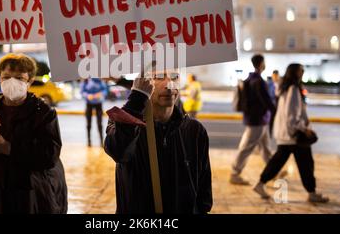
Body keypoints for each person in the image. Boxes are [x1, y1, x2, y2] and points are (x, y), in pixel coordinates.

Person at [0, 53, 68, 213]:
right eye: (6, 77)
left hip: (26, 194)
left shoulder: (43, 113)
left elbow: (49, 155)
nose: (12, 82)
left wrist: (8, 148)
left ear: (29, 81)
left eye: (19, 78)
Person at [104, 70, 213, 214]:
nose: (169, 84)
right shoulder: (126, 124)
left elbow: (203, 189)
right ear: (144, 83)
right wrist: (137, 99)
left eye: (175, 77)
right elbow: (118, 151)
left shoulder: (195, 130)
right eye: (158, 77)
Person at [253, 64, 329, 203]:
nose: (303, 72)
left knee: (277, 162)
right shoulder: (293, 89)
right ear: (295, 73)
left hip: (286, 135)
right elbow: (291, 115)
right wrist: (303, 129)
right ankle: (311, 193)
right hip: (293, 135)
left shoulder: (285, 88)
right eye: (301, 70)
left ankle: (260, 184)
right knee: (306, 164)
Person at [230, 54, 275, 185]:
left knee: (265, 148)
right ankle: (235, 173)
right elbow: (266, 101)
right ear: (261, 64)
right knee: (247, 147)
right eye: (264, 62)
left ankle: (273, 170)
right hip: (258, 120)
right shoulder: (259, 81)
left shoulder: (250, 79)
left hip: (257, 119)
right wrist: (276, 111)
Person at [81, 78, 108, 147]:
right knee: (88, 124)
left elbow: (105, 90)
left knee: (99, 124)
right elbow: (82, 91)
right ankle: (89, 141)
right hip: (89, 104)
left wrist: (101, 94)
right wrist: (87, 95)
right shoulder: (86, 80)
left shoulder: (100, 80)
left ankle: (101, 141)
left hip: (98, 104)